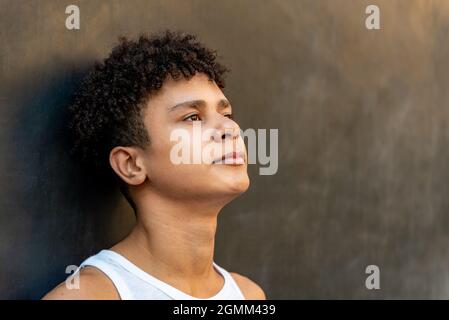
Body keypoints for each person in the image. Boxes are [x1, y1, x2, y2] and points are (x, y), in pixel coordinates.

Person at [43, 30, 266, 300]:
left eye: (226, 113)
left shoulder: (248, 295)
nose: (229, 128)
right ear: (131, 165)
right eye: (193, 117)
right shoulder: (89, 295)